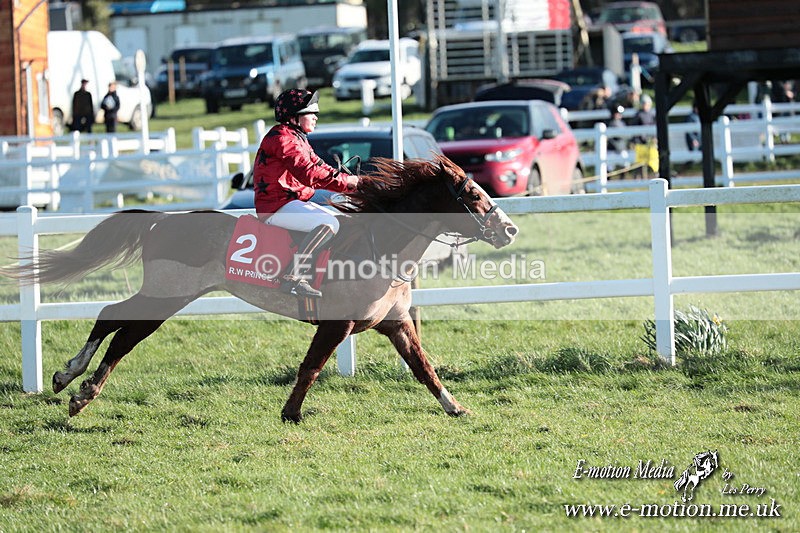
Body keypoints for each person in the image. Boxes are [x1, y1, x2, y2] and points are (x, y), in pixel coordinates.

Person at [253, 88, 359, 299]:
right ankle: (293, 276)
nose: (316, 117)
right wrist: (348, 183)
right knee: (329, 224)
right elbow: (309, 173)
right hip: (276, 207)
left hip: (286, 203)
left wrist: (353, 182)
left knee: (338, 218)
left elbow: (321, 167)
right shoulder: (283, 138)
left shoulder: (296, 137)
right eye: (311, 113)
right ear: (294, 117)